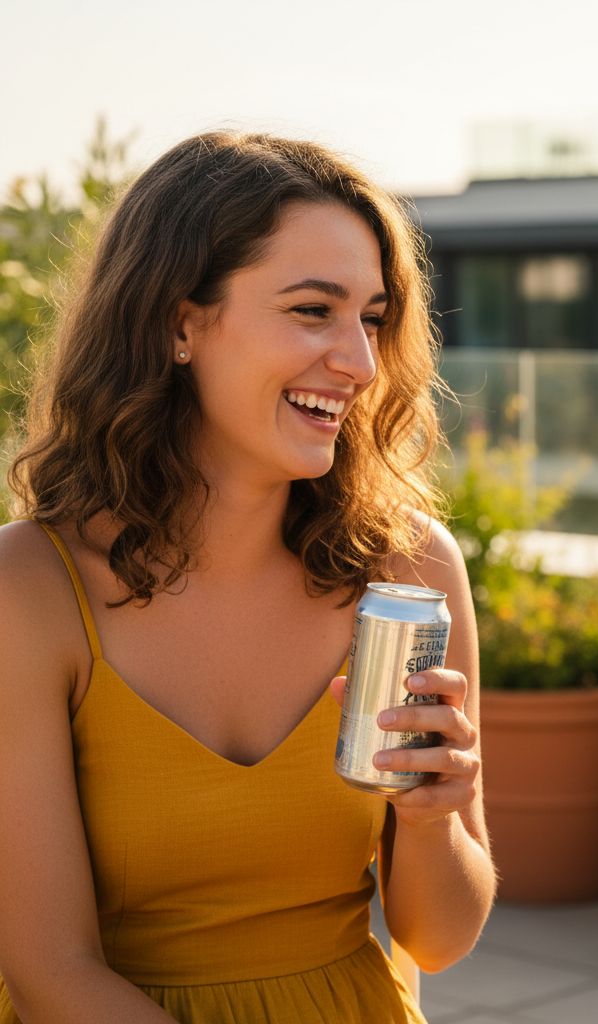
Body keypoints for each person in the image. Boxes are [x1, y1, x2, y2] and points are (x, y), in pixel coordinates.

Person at [0, 131, 495, 1023]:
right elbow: (50, 972)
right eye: (314, 310)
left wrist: (432, 821)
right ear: (178, 323)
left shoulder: (412, 569)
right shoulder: (28, 589)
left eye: (373, 318)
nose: (360, 362)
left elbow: (439, 939)